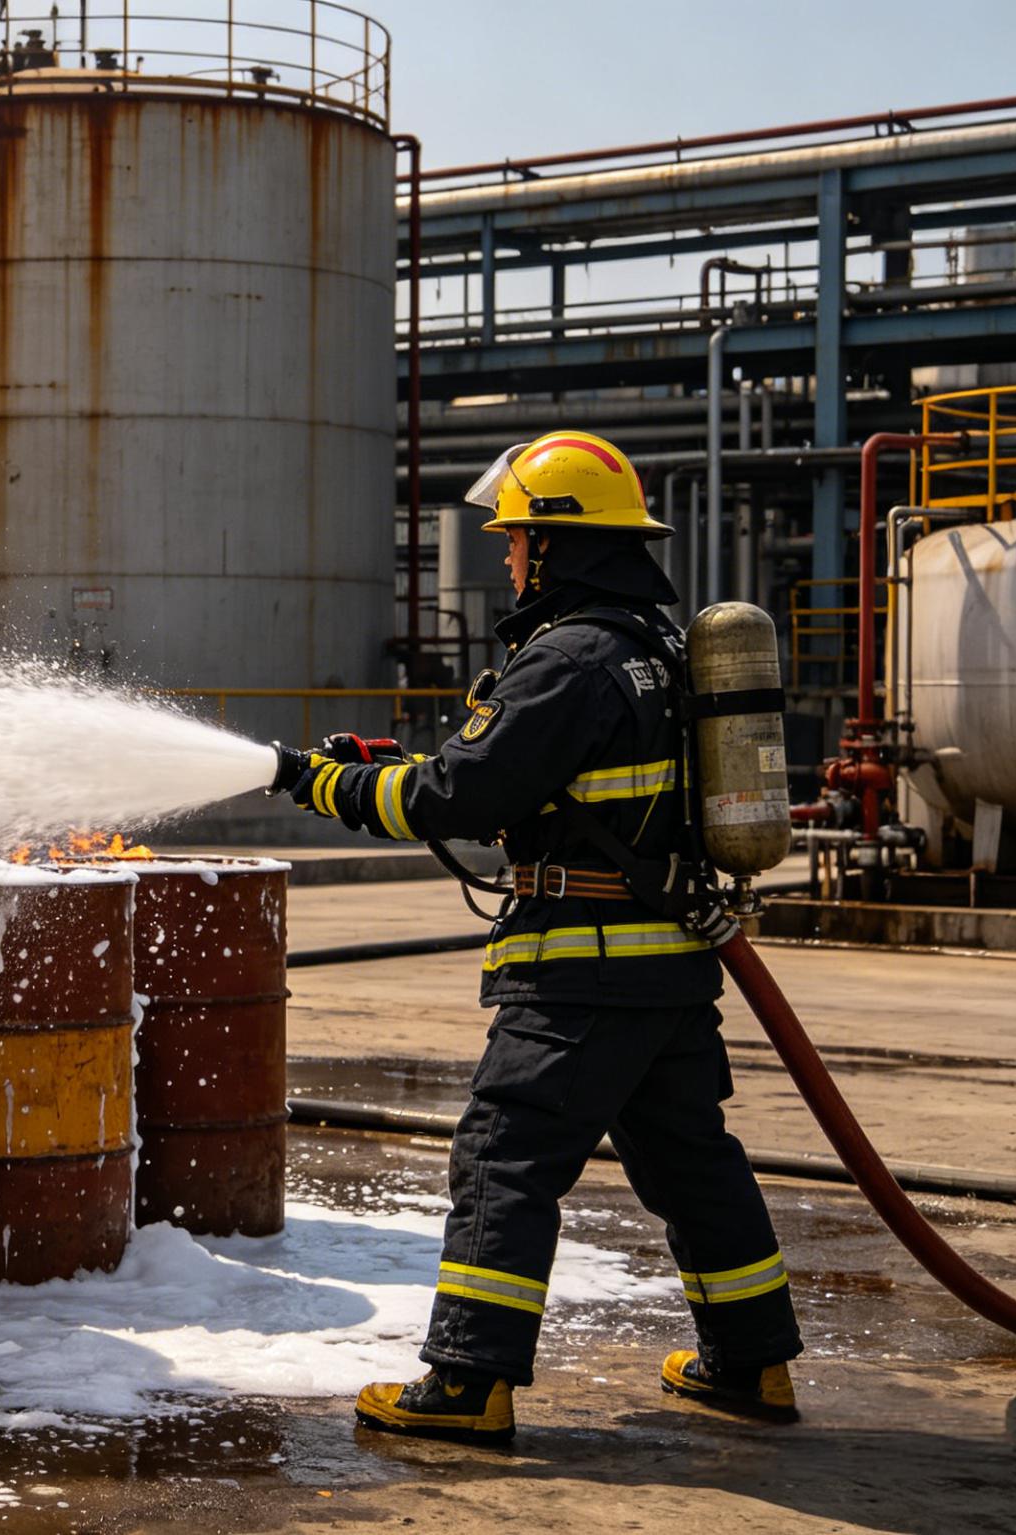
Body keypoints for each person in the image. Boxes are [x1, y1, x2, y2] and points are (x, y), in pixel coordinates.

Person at [269, 430, 802, 1444]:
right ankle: (752, 1358)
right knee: (692, 1159)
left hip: (579, 968)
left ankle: (469, 1378)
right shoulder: (658, 646)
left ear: (555, 548)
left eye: (515, 540)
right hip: (667, 969)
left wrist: (323, 781)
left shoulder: (570, 657)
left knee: (503, 1155)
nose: (507, 557)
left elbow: (457, 793)